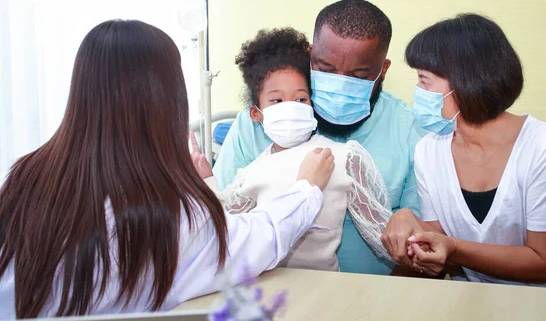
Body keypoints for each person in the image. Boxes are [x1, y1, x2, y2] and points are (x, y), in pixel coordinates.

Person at [0, 20, 335, 318]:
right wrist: (305, 189)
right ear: (169, 99)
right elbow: (257, 241)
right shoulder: (172, 214)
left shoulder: (24, 178)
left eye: (301, 98)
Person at [381, 13, 546, 320]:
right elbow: (440, 240)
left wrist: (453, 248)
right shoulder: (429, 150)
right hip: (479, 304)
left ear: (465, 82)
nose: (418, 91)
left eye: (423, 80)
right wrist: (408, 222)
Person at [214, 0, 425, 275]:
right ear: (312, 55)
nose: (340, 82)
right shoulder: (256, 123)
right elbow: (224, 223)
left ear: (382, 69)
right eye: (326, 69)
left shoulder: (407, 129)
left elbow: (420, 244)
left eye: (358, 75)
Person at [195, 28, 393, 272]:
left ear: (313, 104)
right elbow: (224, 223)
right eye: (277, 101)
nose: (290, 108)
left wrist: (415, 249)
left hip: (324, 289)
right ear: (256, 114)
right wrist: (206, 179)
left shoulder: (342, 157)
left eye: (300, 99)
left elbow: (381, 233)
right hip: (267, 289)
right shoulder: (254, 170)